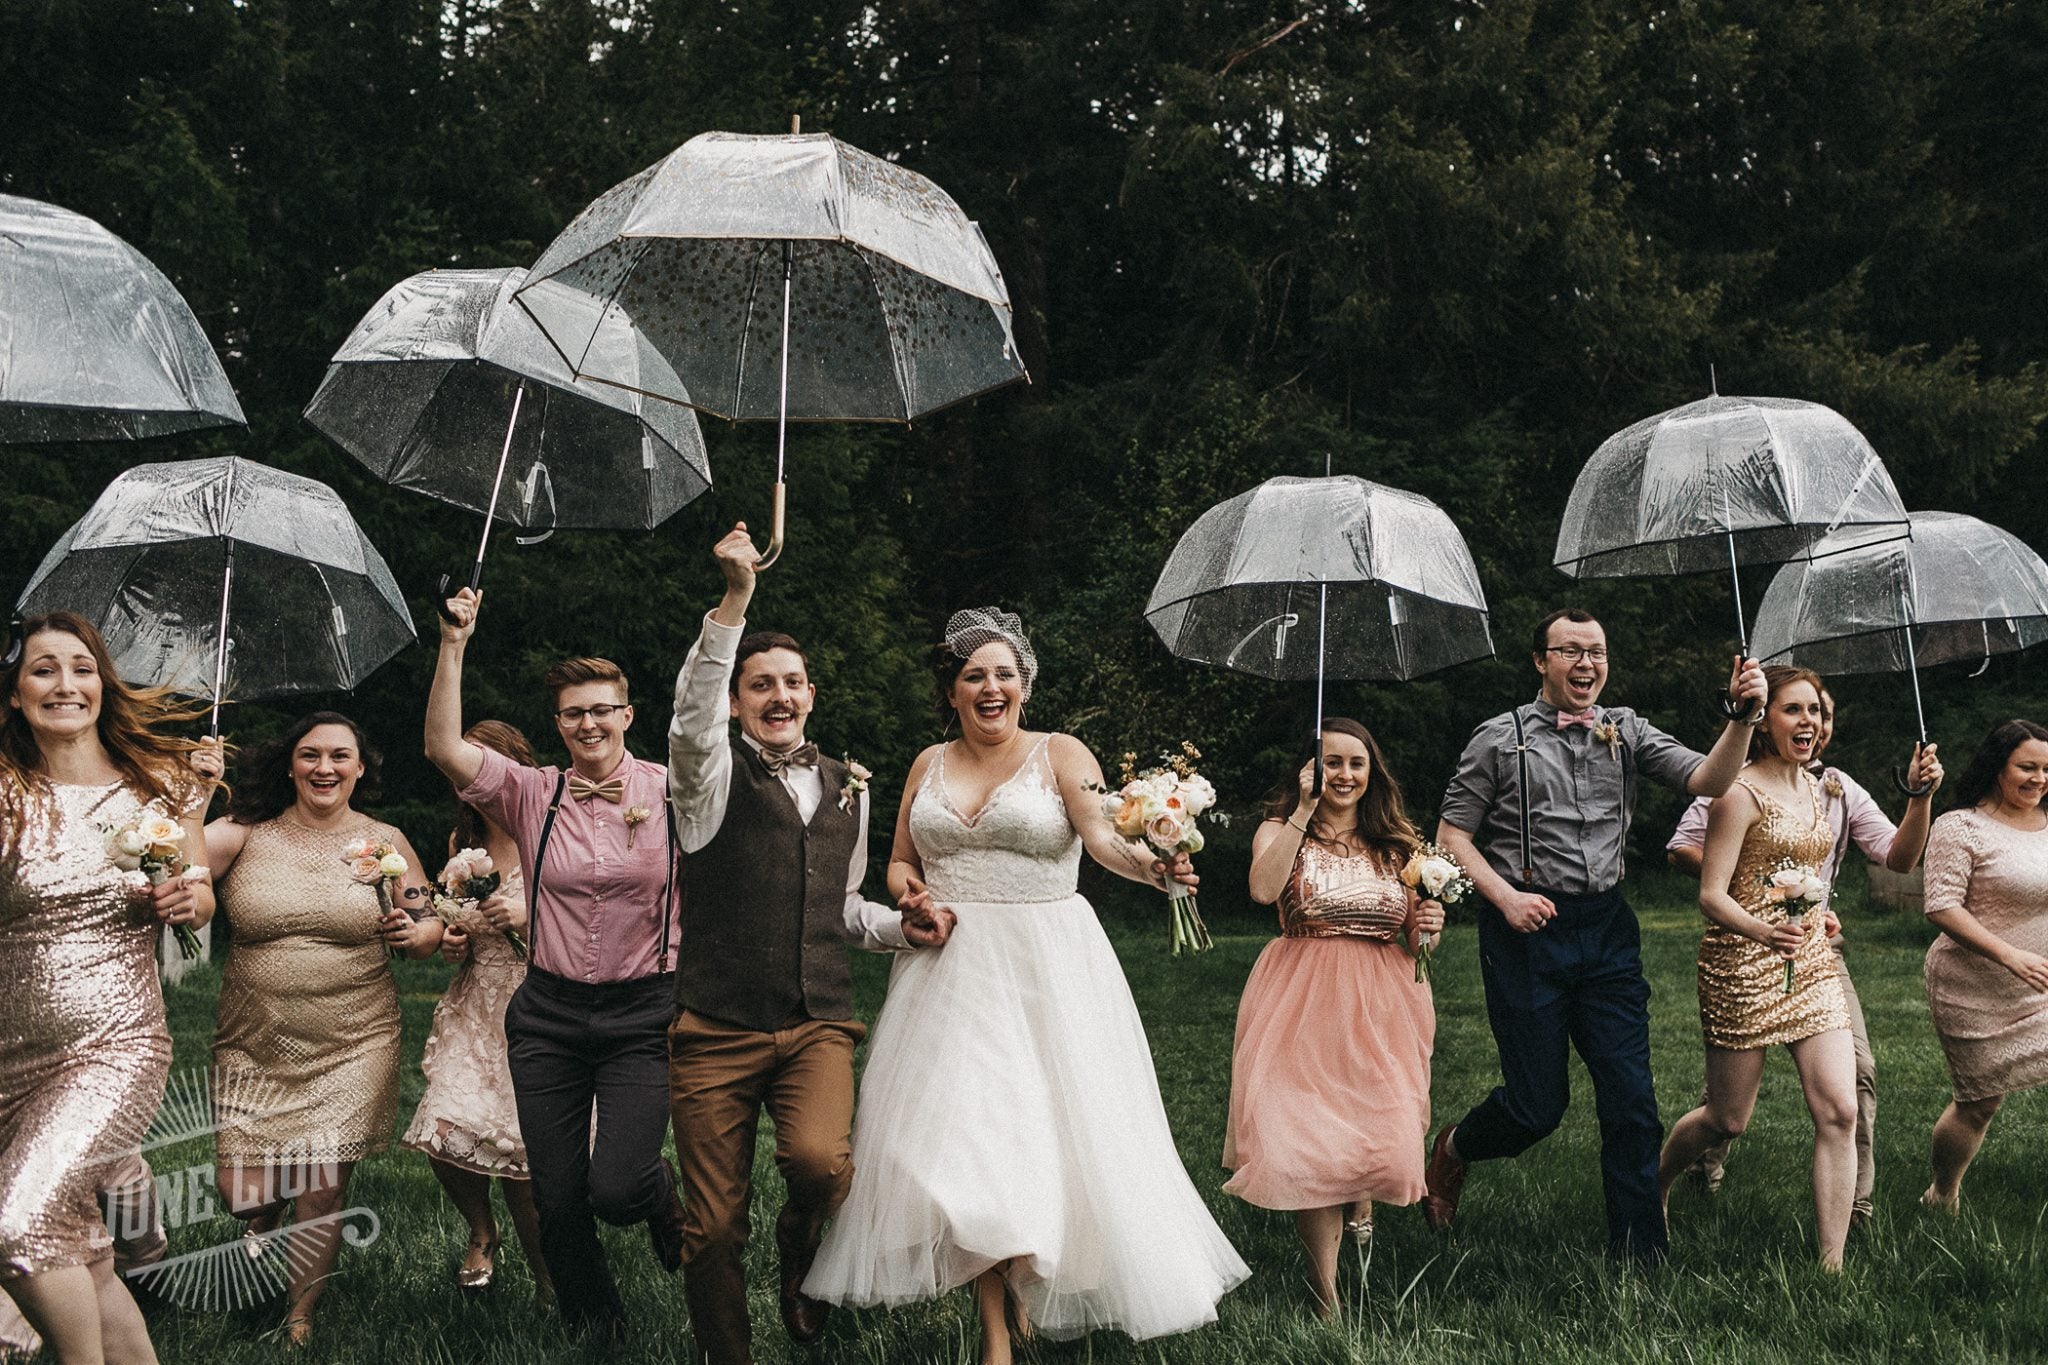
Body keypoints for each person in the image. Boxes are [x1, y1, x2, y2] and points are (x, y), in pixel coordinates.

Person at [804, 604, 1249, 1365]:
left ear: (1025, 687)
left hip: (1049, 963)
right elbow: (902, 860)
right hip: (950, 968)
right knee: (963, 1142)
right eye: (974, 675)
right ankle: (995, 1333)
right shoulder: (926, 763)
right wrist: (912, 893)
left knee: (1048, 1133)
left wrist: (1157, 868)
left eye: (1004, 674)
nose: (990, 686)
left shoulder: (1060, 752)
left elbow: (1106, 836)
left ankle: (1034, 1283)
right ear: (952, 691)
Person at [663, 525, 953, 1365]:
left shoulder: (849, 786)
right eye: (760, 684)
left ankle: (799, 1250)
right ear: (737, 700)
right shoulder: (706, 780)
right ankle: (729, 1353)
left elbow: (846, 906)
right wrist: (735, 600)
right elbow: (688, 722)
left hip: (815, 1022)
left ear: (813, 694)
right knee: (711, 1227)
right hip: (715, 1026)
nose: (778, 696)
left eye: (791, 682)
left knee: (824, 1167)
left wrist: (905, 928)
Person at [1422, 607, 1767, 1261]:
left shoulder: (1626, 730)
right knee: (1535, 1106)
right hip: (1525, 930)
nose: (1586, 664)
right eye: (1570, 650)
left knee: (1632, 1098)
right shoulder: (1498, 739)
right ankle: (1455, 1146)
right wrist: (1506, 896)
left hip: (1606, 928)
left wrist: (1743, 717)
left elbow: (1711, 779)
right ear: (1539, 661)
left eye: (1597, 652)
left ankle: (1638, 1252)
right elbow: (1452, 835)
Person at [425, 589, 684, 1342]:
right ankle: (596, 1324)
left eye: (602, 709)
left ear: (627, 715)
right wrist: (453, 642)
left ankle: (659, 1196)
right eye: (574, 713)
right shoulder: (532, 793)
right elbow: (443, 746)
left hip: (643, 1010)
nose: (589, 723)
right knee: (558, 1196)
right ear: (558, 725)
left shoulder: (672, 791)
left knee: (619, 1184)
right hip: (548, 1013)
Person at [0, 613, 214, 1365]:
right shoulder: (7, 789)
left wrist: (187, 899)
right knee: (80, 1249)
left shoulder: (158, 783)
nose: (66, 683)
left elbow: (200, 891)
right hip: (9, 1053)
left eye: (82, 667)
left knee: (20, 1225)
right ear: (17, 693)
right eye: (44, 669)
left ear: (103, 682)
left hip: (115, 1043)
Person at [1664, 673, 1940, 1223]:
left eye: (1818, 710)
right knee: (1727, 1116)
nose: (1811, 720)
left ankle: (1839, 1250)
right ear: (1764, 720)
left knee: (1843, 1101)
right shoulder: (1733, 789)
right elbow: (1693, 863)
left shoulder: (1833, 788)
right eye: (1794, 709)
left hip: (1815, 955)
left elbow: (1900, 859)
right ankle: (1662, 1182)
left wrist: (1919, 796)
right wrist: (1767, 898)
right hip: (1745, 955)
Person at [205, 710, 438, 1346]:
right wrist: (194, 790)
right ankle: (260, 1225)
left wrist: (414, 932)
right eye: (310, 755)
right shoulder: (245, 834)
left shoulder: (384, 842)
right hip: (253, 1038)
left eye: (340, 756)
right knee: (245, 1196)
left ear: (360, 768)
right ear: (290, 764)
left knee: (321, 1188)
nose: (324, 767)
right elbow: (174, 860)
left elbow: (427, 927)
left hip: (353, 1038)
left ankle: (298, 1319)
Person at [1224, 718, 1441, 1316]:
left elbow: (1412, 940)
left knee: (1382, 1128)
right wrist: (1301, 810)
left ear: (1372, 774)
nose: (1344, 775)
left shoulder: (1397, 845)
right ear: (1310, 770)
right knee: (1308, 1140)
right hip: (1301, 999)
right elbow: (1264, 892)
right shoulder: (1280, 828)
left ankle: (1361, 1201)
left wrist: (1428, 929)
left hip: (1382, 1003)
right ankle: (1328, 1296)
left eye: (1356, 764)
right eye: (1332, 763)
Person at [401, 720, 552, 1307]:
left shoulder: (555, 834)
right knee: (443, 1126)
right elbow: (450, 917)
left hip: (538, 1004)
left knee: (523, 1162)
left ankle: (546, 1279)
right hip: (475, 1003)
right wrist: (450, 938)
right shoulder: (460, 847)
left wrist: (526, 924)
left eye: (488, 765)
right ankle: (480, 1230)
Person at [1919, 719, 2048, 1211]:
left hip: (2041, 981)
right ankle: (1943, 1194)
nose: (2039, 779)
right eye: (2027, 767)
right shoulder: (1960, 826)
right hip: (1971, 985)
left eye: (2047, 769)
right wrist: (2009, 954)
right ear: (1998, 768)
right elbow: (1941, 906)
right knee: (1980, 1103)